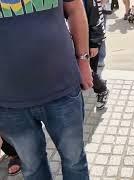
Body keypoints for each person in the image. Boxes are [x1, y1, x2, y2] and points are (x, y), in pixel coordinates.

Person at [0, 0, 92, 179]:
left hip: (62, 87)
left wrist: (83, 60)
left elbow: (75, 8)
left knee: (74, 161)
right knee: (32, 167)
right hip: (8, 101)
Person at [83, 0, 109, 109]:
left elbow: (96, 19)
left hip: (89, 40)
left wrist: (94, 43)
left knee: (89, 72)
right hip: (71, 40)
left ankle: (102, 90)